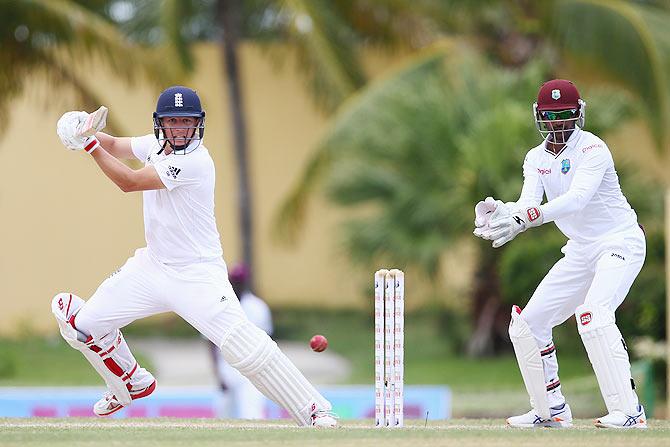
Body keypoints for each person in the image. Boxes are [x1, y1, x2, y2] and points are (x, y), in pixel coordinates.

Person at [51, 86, 336, 427]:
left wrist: (90, 145)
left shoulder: (195, 161)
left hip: (196, 274)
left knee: (245, 349)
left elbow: (129, 181)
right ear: (161, 125)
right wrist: (85, 130)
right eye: (173, 122)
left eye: (187, 122)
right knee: (82, 325)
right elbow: (114, 146)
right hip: (151, 267)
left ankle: (315, 411)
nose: (180, 129)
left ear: (198, 124)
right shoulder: (155, 144)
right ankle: (130, 381)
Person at [474, 79, 647, 429]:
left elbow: (577, 199)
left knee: (594, 314)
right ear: (538, 116)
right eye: (551, 117)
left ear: (578, 114)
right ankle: (550, 409)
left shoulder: (593, 150)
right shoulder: (535, 158)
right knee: (529, 324)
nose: (558, 124)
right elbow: (527, 204)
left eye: (566, 115)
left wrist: (527, 218)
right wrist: (502, 212)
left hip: (619, 242)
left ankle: (630, 412)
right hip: (581, 251)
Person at [207, 264, 273, 419]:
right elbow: (210, 341)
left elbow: (268, 339)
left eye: (238, 282)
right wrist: (217, 373)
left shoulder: (258, 307)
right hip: (227, 368)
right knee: (222, 415)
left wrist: (266, 371)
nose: (236, 285)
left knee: (252, 414)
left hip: (253, 368)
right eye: (233, 281)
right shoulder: (220, 304)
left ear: (245, 282)